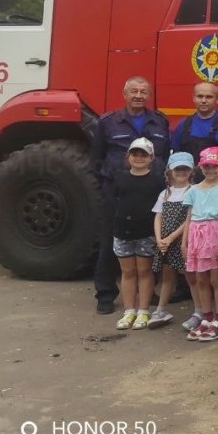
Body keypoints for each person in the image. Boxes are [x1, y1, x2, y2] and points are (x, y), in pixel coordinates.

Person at [91, 76, 170, 314]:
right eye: (133, 91)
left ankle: (148, 293)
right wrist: (107, 185)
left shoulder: (159, 121)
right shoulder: (108, 122)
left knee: (150, 242)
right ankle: (105, 294)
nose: (138, 95)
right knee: (110, 242)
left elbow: (164, 155)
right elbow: (95, 158)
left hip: (150, 192)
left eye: (143, 92)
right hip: (117, 193)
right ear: (124, 94)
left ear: (149, 95)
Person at [108, 137, 164, 331]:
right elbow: (113, 201)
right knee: (127, 272)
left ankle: (143, 310)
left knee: (144, 271)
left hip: (146, 233)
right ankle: (129, 310)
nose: (139, 158)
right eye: (135, 154)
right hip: (122, 232)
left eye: (144, 154)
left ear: (152, 157)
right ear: (128, 156)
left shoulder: (158, 181)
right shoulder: (119, 177)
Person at [181, 146, 218, 341]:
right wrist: (185, 242)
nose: (210, 170)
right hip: (196, 235)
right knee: (200, 279)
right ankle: (206, 317)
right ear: (200, 167)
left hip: (215, 233)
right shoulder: (193, 190)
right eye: (206, 166)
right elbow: (189, 217)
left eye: (214, 166)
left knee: (215, 279)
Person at [149, 152, 195, 329]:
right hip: (165, 243)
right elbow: (158, 217)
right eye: (178, 169)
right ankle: (161, 310)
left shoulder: (193, 191)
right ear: (170, 171)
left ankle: (199, 311)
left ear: (191, 171)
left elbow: (189, 220)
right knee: (167, 277)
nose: (182, 172)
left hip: (182, 240)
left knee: (191, 277)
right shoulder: (165, 193)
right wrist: (160, 239)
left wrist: (171, 237)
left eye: (185, 168)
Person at [171, 81, 218, 181]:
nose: (204, 100)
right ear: (193, 98)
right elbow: (174, 156)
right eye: (200, 96)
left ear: (217, 99)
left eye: (209, 97)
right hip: (189, 185)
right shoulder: (184, 124)